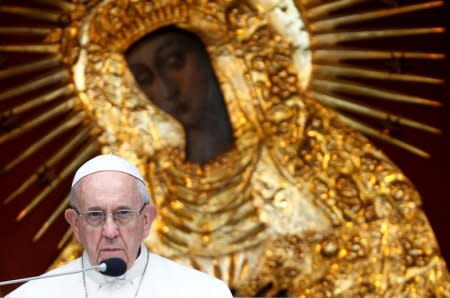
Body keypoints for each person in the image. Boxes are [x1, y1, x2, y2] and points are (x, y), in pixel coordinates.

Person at [6, 154, 233, 298]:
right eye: (95, 215)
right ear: (75, 223)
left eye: (123, 213)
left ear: (146, 220)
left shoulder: (204, 292)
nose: (110, 231)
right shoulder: (32, 295)